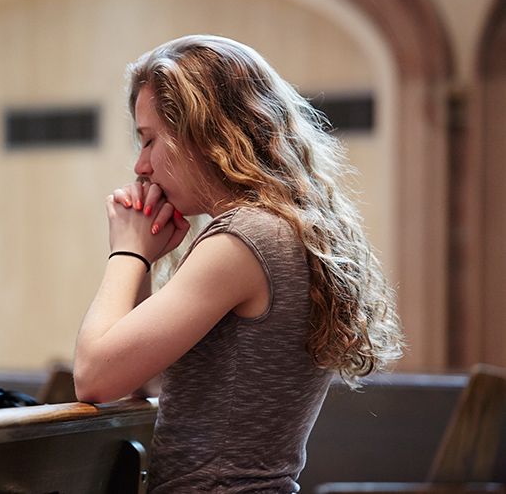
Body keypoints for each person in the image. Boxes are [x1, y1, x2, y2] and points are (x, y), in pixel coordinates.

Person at [73, 35, 403, 493]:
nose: (140, 165)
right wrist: (146, 264)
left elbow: (94, 378)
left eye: (149, 140)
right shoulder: (282, 228)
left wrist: (126, 251)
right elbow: (147, 380)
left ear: (204, 134)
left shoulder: (243, 238)